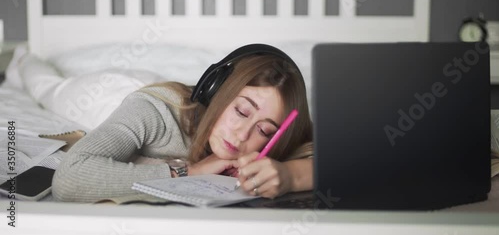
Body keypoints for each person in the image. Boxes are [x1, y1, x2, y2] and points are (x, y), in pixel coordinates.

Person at [52, 43, 313, 203]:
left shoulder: (280, 139)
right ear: (217, 91)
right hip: (102, 93)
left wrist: (291, 176)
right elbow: (69, 178)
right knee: (47, 87)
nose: (242, 135)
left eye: (264, 130)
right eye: (242, 111)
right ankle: (22, 60)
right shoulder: (155, 110)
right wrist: (187, 173)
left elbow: (349, 162)